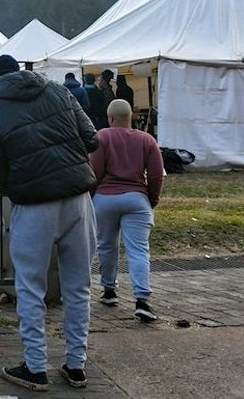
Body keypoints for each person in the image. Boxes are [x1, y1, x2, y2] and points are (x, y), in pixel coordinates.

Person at [0, 56, 99, 393]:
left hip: (32, 204)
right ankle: (76, 364)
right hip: (77, 198)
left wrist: (20, 187)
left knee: (30, 288)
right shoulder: (59, 92)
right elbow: (92, 139)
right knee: (79, 286)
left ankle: (35, 366)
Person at [91, 99, 164, 323]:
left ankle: (109, 291)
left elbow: (95, 170)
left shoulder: (101, 136)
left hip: (105, 198)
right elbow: (156, 174)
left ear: (110, 118)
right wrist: (152, 198)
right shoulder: (147, 140)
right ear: (130, 117)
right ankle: (142, 300)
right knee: (139, 250)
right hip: (137, 199)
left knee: (106, 245)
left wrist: (94, 195)